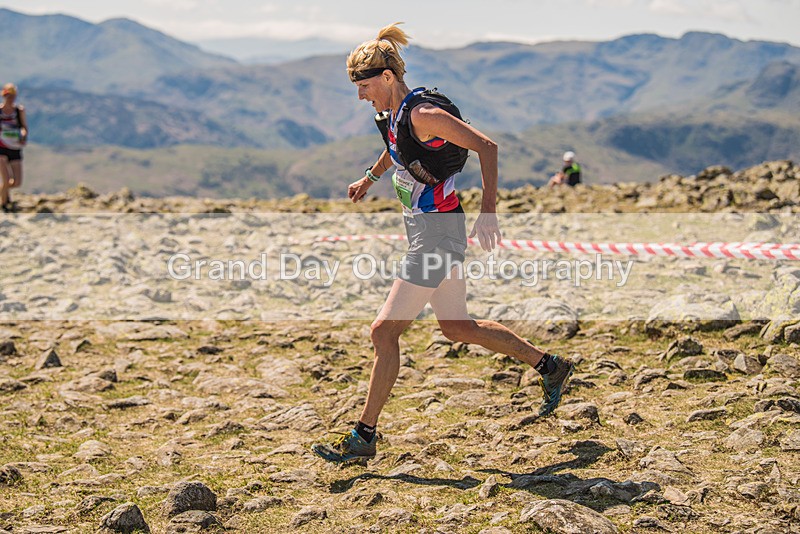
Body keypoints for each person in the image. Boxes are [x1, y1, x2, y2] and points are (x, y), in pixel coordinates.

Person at [311, 23, 574, 465]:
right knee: (457, 328)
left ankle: (364, 437)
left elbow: (487, 147)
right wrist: (370, 178)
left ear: (389, 78)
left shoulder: (424, 115)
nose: (360, 95)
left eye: (365, 86)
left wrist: (489, 211)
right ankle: (550, 366)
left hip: (437, 234)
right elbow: (396, 147)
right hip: (430, 229)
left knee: (383, 331)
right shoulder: (392, 115)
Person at [0, 83, 27, 212]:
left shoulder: (19, 110)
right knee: (6, 179)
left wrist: (23, 136)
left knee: (17, 182)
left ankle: (3, 192)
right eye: (8, 95)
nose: (10, 98)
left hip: (15, 147)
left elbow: (24, 127)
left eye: (12, 96)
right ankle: (4, 204)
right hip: (1, 148)